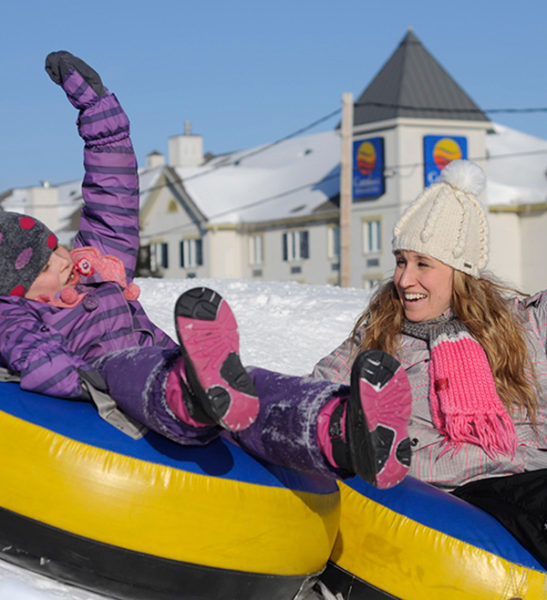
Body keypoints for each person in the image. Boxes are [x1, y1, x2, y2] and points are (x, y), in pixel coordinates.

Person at [0, 51, 412, 490]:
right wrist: (82, 380)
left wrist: (98, 108)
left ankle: (342, 430)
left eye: (56, 248)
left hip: (175, 363)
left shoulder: (98, 263)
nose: (64, 261)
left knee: (251, 389)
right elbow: (31, 354)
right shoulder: (16, 314)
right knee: (135, 371)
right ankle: (193, 392)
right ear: (16, 289)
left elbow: (113, 184)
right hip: (112, 378)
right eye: (46, 266)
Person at [312, 159, 547, 491]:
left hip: (530, 477)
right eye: (400, 262)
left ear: (460, 272)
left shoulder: (522, 323)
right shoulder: (380, 341)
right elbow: (318, 394)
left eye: (423, 264)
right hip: (445, 499)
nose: (405, 279)